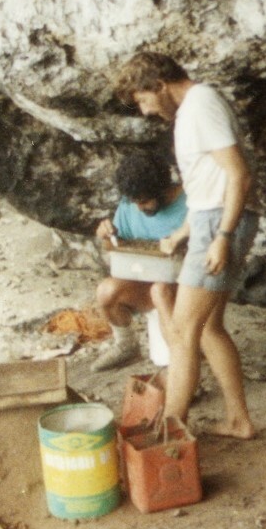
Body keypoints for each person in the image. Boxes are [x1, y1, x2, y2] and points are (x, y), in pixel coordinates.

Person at [113, 51, 259, 439]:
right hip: (210, 220)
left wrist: (222, 237)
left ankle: (170, 431)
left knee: (182, 332)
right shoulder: (193, 110)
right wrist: (182, 232)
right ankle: (238, 420)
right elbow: (206, 184)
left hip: (221, 223)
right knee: (209, 327)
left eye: (144, 100)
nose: (144, 111)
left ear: (160, 85)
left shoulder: (201, 105)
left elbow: (238, 175)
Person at [90, 149, 187, 371]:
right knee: (107, 291)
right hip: (147, 282)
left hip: (184, 285)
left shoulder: (189, 202)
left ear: (162, 189)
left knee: (160, 291)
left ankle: (182, 368)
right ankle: (127, 346)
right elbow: (115, 246)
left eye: (144, 201)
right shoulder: (129, 204)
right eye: (134, 202)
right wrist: (106, 235)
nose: (139, 208)